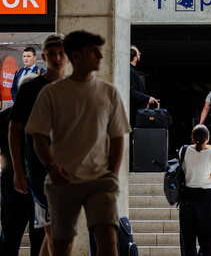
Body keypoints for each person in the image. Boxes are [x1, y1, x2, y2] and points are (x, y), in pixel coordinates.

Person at [25, 30, 131, 256]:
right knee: (61, 244)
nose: (100, 57)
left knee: (108, 241)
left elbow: (118, 136)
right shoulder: (52, 93)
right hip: (63, 181)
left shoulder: (108, 92)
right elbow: (38, 135)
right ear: (77, 55)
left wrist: (111, 173)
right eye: (94, 52)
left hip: (100, 179)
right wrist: (52, 168)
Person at [9, 34, 67, 256]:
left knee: (53, 232)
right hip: (40, 170)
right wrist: (18, 170)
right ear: (44, 56)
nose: (57, 58)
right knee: (57, 233)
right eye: (52, 53)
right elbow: (14, 130)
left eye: (61, 53)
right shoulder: (30, 89)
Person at [1, 105, 46, 255]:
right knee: (39, 237)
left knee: (10, 235)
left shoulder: (5, 116)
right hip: (38, 184)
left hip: (11, 181)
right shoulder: (44, 115)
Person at [179, 124, 211, 256]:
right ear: (207, 138)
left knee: (187, 236)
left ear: (192, 137)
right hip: (205, 197)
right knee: (209, 235)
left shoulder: (184, 150)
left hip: (187, 196)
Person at [129, 45, 158, 124]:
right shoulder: (130, 71)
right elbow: (131, 91)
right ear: (134, 58)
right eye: (138, 53)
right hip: (133, 112)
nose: (140, 54)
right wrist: (147, 98)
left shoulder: (133, 70)